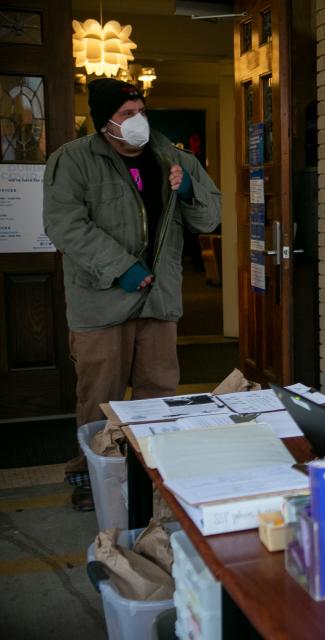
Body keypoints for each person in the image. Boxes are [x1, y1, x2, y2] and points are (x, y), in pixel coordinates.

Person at [43, 78, 221, 510]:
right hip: (101, 301)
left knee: (158, 393)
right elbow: (64, 224)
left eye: (140, 111)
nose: (137, 120)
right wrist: (120, 267)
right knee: (99, 396)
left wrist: (190, 191)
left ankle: (149, 475)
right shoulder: (72, 160)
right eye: (126, 114)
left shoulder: (175, 158)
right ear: (105, 122)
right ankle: (92, 476)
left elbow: (210, 218)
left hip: (159, 302)